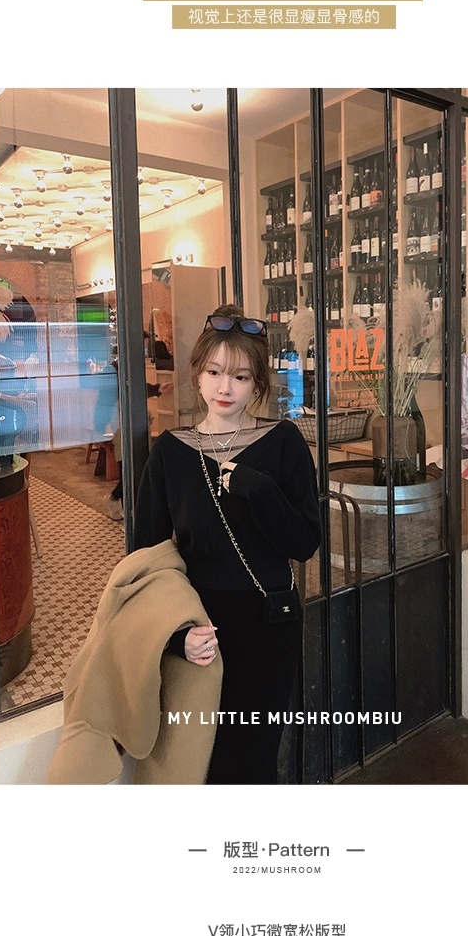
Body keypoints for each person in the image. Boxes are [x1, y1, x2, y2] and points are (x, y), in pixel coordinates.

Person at [134, 303, 321, 784]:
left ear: (257, 384)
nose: (225, 387)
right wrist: (175, 636)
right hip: (202, 630)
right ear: (197, 374)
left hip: (269, 625)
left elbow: (304, 542)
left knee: (255, 762)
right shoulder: (170, 453)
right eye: (215, 372)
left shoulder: (283, 442)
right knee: (202, 763)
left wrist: (260, 490)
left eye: (240, 377)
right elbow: (145, 562)